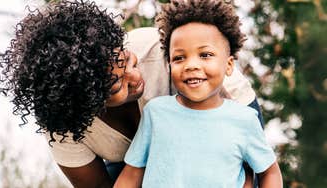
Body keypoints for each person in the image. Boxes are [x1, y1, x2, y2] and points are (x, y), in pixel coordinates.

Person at [0, 0, 262, 187]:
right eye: (117, 86)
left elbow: (246, 156)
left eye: (128, 61)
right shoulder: (64, 129)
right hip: (130, 165)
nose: (136, 78)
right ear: (88, 103)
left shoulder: (160, 50)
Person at [114, 0, 282, 187]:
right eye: (179, 58)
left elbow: (270, 172)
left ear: (228, 66)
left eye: (205, 55)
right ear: (169, 65)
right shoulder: (155, 112)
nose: (191, 65)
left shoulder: (245, 120)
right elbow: (131, 174)